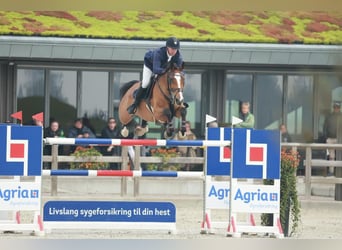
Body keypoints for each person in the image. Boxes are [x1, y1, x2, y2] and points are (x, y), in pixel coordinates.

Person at [127, 37, 183, 114]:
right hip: (150, 66)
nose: (174, 51)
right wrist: (166, 72)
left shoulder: (178, 57)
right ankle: (135, 104)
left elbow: (178, 70)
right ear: (167, 47)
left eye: (175, 49)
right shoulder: (159, 53)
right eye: (172, 48)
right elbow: (156, 69)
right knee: (146, 83)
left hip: (164, 69)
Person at [323, 101, 342, 176]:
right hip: (330, 138)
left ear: (339, 108)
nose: (336, 109)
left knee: (340, 156)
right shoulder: (329, 116)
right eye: (335, 107)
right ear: (333, 108)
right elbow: (325, 127)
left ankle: (339, 172)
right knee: (331, 156)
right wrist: (326, 137)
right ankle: (331, 171)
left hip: (340, 139)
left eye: (337, 107)